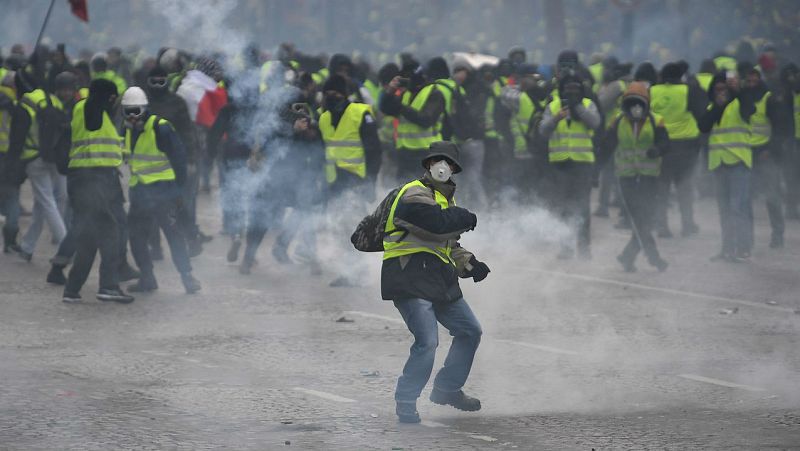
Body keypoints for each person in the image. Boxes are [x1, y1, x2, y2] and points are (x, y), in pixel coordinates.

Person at [382, 141, 488, 424]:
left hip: (437, 278)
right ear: (428, 165)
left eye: (448, 162)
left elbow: (448, 242)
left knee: (470, 330)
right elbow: (433, 223)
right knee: (428, 342)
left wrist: (470, 263)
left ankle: (446, 389)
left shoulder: (447, 201)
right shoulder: (413, 191)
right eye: (437, 160)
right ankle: (406, 399)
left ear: (454, 168)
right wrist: (463, 216)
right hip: (408, 275)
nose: (442, 166)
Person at [120, 87, 201, 294]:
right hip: (141, 194)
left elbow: (179, 160)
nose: (132, 116)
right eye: (128, 111)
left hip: (165, 193)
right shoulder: (127, 130)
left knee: (174, 236)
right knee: (136, 237)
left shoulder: (161, 128)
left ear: (144, 109)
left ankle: (187, 277)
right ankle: (147, 278)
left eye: (136, 111)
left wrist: (180, 192)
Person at [62, 79, 133, 303]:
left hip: (94, 179)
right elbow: (94, 114)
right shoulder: (91, 107)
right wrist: (103, 97)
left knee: (88, 236)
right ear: (105, 97)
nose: (114, 102)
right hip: (91, 179)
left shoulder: (89, 109)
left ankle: (72, 289)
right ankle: (109, 286)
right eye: (112, 98)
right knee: (111, 231)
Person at [316, 74, 381, 286]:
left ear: (344, 94)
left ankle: (359, 272)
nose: (329, 98)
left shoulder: (360, 114)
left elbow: (374, 151)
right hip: (334, 182)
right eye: (326, 94)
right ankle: (349, 271)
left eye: (333, 93)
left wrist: (371, 181)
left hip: (356, 181)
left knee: (355, 226)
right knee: (338, 227)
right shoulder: (324, 118)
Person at [600, 82, 670, 272]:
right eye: (632, 104)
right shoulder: (617, 121)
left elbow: (665, 143)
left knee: (645, 219)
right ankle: (654, 258)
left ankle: (627, 256)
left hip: (649, 176)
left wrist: (657, 150)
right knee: (639, 218)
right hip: (626, 176)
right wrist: (594, 169)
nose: (635, 109)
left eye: (639, 104)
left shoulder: (657, 120)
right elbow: (607, 146)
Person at [146, 65, 208, 258]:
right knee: (149, 208)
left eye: (161, 81)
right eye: (153, 81)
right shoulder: (143, 103)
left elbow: (187, 132)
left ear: (166, 81)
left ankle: (191, 239)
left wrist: (190, 160)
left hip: (174, 162)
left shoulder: (177, 102)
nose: (157, 85)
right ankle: (155, 247)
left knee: (179, 204)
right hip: (148, 163)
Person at [6, 68, 67, 262]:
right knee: (44, 203)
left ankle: (66, 246)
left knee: (47, 202)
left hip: (34, 158)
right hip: (55, 158)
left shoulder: (25, 102)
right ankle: (28, 246)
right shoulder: (53, 100)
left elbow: (18, 137)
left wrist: (11, 164)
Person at [539, 72, 602, 259]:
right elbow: (543, 130)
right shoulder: (553, 106)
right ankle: (565, 247)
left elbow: (596, 123)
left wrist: (578, 107)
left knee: (582, 207)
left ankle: (584, 248)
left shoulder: (588, 105)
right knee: (563, 207)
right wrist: (557, 117)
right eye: (568, 90)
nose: (572, 93)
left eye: (575, 89)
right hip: (560, 163)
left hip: (582, 163)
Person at [698, 72, 756, 262]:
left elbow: (750, 109)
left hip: (738, 161)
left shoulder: (740, 103)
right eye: (717, 89)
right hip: (719, 164)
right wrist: (717, 106)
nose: (721, 92)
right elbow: (703, 126)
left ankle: (743, 249)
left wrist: (736, 91)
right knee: (724, 209)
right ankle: (727, 249)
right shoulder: (712, 107)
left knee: (738, 208)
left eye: (724, 89)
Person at [650, 61, 707, 237]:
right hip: (686, 147)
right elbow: (702, 115)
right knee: (684, 188)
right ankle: (687, 225)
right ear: (680, 76)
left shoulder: (652, 91)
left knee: (662, 188)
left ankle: (662, 226)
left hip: (661, 147)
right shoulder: (689, 90)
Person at [379, 63, 446, 181]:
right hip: (404, 152)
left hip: (426, 152)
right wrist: (390, 91)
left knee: (425, 192)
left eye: (407, 77)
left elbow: (426, 119)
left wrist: (400, 107)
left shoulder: (434, 93)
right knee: (404, 191)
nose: (405, 81)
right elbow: (386, 108)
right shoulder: (406, 94)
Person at [745, 66, 784, 248]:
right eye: (749, 80)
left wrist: (770, 149)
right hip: (746, 153)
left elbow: (779, 127)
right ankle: (747, 238)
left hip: (765, 153)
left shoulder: (769, 99)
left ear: (760, 80)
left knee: (772, 196)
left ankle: (778, 234)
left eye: (754, 80)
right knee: (745, 198)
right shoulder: (743, 99)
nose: (751, 83)